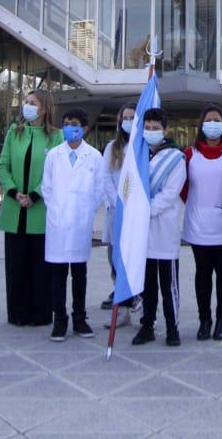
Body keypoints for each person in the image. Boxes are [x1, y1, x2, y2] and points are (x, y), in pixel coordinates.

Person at [0, 89, 61, 327]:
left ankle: (40, 313)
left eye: (33, 103)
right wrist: (14, 192)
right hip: (15, 209)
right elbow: (3, 165)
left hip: (40, 209)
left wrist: (35, 194)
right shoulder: (15, 132)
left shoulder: (56, 137)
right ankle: (17, 313)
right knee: (16, 265)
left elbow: (55, 172)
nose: (28, 106)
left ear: (44, 108)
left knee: (40, 266)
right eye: (26, 102)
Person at [43, 108, 105, 342]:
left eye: (75, 123)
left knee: (79, 274)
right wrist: (58, 209)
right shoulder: (53, 155)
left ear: (84, 128)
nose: (70, 128)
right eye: (67, 123)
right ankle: (59, 319)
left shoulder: (94, 156)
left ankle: (80, 318)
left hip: (80, 222)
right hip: (58, 223)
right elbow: (47, 187)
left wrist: (85, 211)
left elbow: (98, 189)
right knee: (57, 275)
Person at [183, 104, 222, 341]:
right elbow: (183, 187)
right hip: (198, 224)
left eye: (217, 120)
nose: (213, 124)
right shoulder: (189, 154)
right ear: (201, 125)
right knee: (203, 273)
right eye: (209, 120)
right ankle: (204, 320)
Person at [131, 107, 186, 347]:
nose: (151, 132)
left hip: (164, 230)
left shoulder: (176, 158)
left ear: (166, 130)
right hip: (143, 233)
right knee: (147, 284)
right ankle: (147, 325)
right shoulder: (138, 155)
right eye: (148, 128)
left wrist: (144, 210)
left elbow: (170, 194)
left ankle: (172, 327)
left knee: (168, 284)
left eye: (156, 128)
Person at [99, 103, 136, 322]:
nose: (128, 122)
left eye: (133, 118)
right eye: (125, 118)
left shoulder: (142, 146)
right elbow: (105, 178)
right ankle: (121, 304)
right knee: (116, 259)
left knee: (136, 259)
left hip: (137, 213)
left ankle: (138, 302)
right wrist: (119, 203)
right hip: (117, 212)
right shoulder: (112, 147)